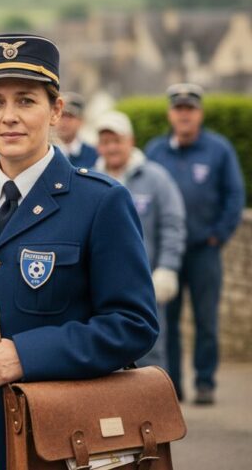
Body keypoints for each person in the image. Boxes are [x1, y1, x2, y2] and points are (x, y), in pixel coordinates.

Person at [0, 34, 158, 470]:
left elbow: (133, 325)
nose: (9, 117)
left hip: (56, 445)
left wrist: (31, 353)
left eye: (26, 101)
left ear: (55, 111)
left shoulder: (100, 202)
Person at [145, 83, 245, 405]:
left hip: (204, 249)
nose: (184, 115)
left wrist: (219, 234)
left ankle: (205, 382)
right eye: (179, 109)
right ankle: (171, 385)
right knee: (165, 322)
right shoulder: (156, 151)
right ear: (170, 113)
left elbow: (234, 195)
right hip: (166, 254)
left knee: (206, 320)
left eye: (190, 109)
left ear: (199, 114)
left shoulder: (219, 149)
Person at [94, 110, 186, 369]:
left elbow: (173, 224)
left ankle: (156, 408)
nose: (111, 147)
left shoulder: (156, 178)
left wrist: (167, 268)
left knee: (150, 354)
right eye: (105, 141)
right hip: (101, 284)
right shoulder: (90, 180)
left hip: (146, 283)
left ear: (130, 141)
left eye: (117, 140)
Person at [56, 91, 97, 168]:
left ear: (81, 121)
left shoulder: (93, 155)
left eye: (70, 116)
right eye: (62, 116)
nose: (65, 122)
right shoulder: (46, 152)